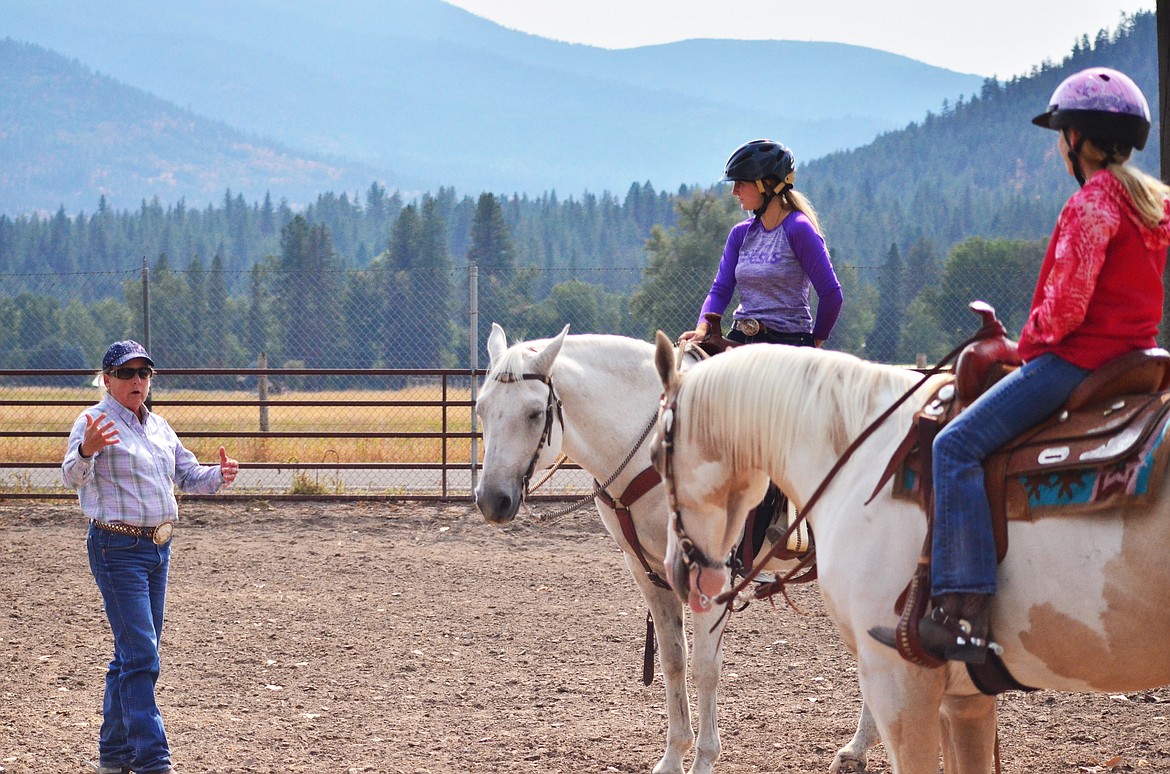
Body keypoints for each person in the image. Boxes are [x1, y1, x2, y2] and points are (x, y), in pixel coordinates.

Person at [872, 67, 1170, 665]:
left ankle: (961, 608)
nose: (1060, 147)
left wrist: (1022, 344)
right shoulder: (1154, 204)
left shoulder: (1091, 206)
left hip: (1078, 361)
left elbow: (1064, 310)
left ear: (1077, 140)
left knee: (954, 446)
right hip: (1138, 359)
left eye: (1062, 135)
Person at [62, 340, 240, 774]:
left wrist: (220, 474)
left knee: (133, 653)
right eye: (126, 373)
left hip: (158, 549)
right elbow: (71, 476)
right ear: (107, 379)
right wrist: (85, 449)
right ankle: (152, 760)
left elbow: (189, 474)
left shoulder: (159, 427)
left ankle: (114, 754)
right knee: (142, 653)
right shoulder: (92, 422)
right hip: (116, 548)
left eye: (143, 373)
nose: (137, 381)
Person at [679, 138, 843, 348]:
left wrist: (813, 343)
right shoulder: (740, 234)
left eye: (741, 183)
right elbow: (720, 289)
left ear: (766, 185)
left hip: (787, 344)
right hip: (740, 339)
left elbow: (831, 295)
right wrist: (702, 328)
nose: (734, 191)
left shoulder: (799, 229)